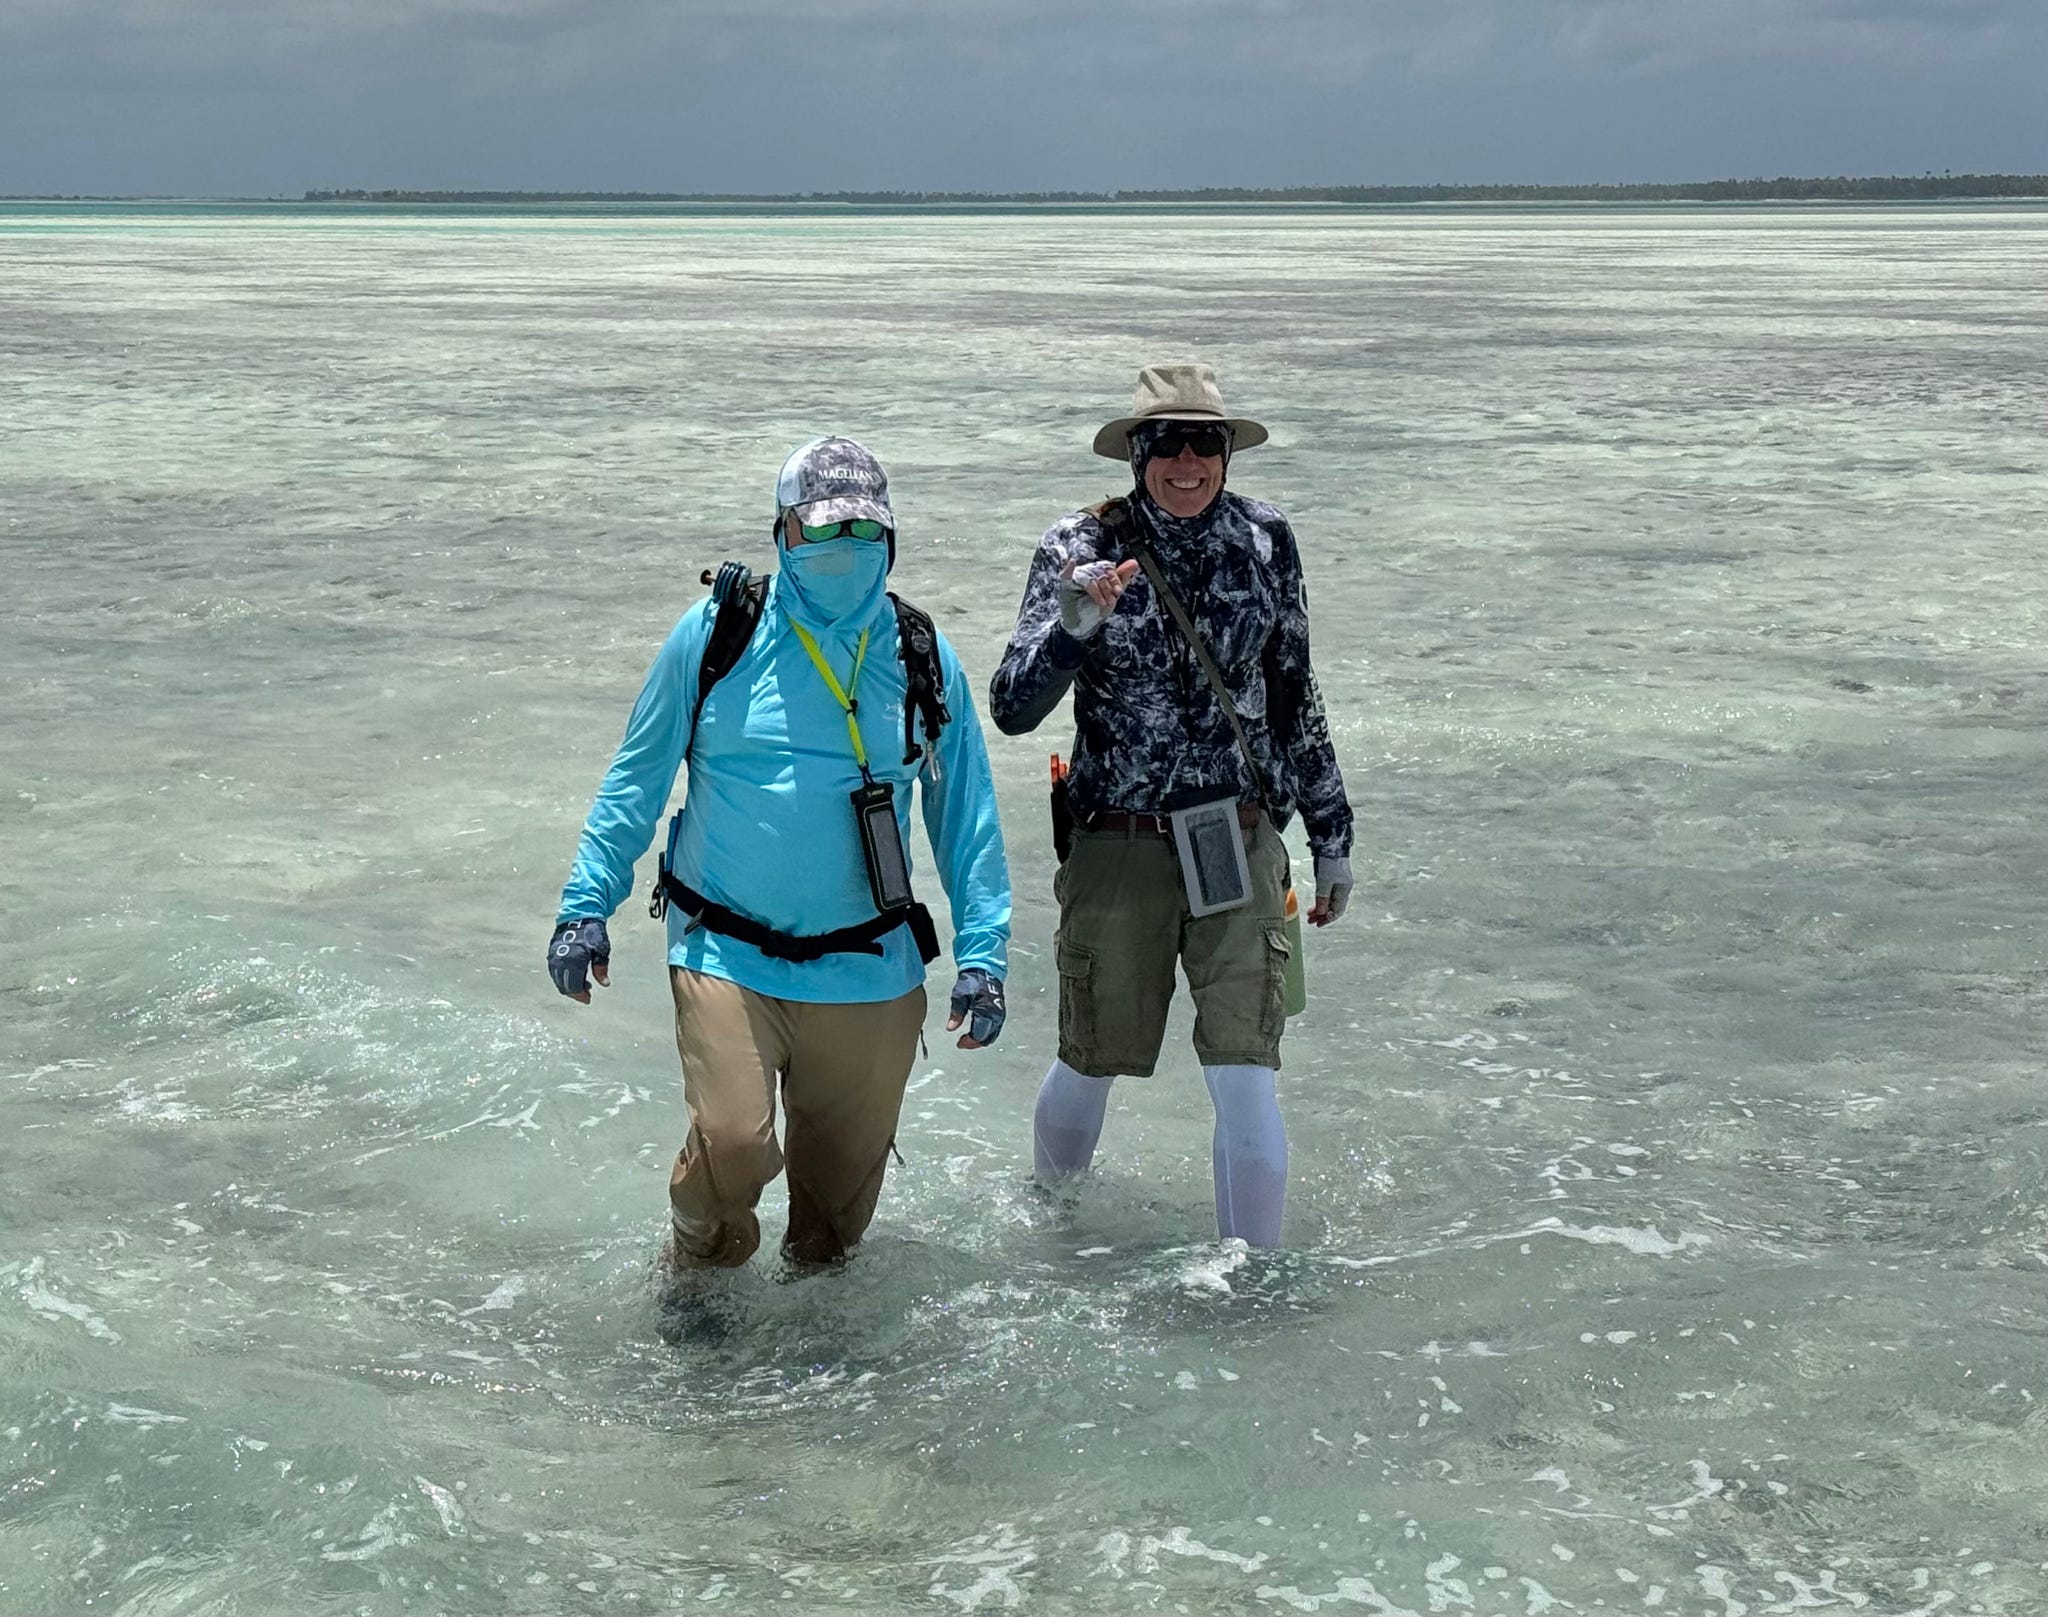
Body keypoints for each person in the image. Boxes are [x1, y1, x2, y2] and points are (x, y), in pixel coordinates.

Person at [549, 437, 1011, 1278]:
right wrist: (585, 907)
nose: (843, 549)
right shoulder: (715, 635)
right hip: (725, 949)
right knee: (731, 1145)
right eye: (822, 529)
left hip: (870, 967)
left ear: (891, 537)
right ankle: (695, 1281)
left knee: (829, 1235)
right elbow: (635, 782)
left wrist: (984, 958)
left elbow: (967, 819)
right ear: (781, 533)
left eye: (863, 531)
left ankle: (809, 1356)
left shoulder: (920, 653)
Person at [989, 363, 1353, 1248]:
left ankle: (1252, 1286)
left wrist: (1332, 835)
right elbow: (1011, 707)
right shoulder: (1078, 545)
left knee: (1246, 1070)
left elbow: (1295, 691)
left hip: (1238, 835)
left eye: (1206, 443)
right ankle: (1054, 1235)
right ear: (1137, 452)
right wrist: (1074, 627)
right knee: (1090, 1059)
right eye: (1168, 443)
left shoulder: (1266, 539)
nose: (1187, 462)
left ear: (1227, 453)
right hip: (1117, 842)